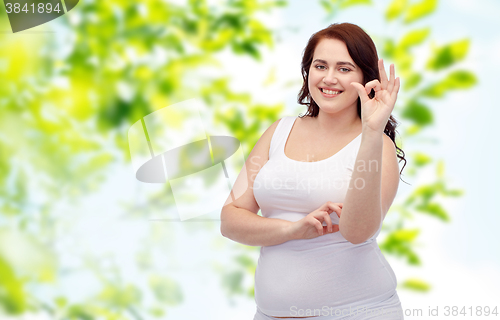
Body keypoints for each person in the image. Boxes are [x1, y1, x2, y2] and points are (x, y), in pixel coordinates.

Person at [220, 22, 407, 320]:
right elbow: (230, 219)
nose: (330, 78)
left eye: (345, 69)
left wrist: (371, 131)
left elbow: (359, 233)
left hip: (359, 312)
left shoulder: (377, 145)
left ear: (365, 78)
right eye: (320, 66)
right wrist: (292, 230)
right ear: (308, 72)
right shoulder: (278, 131)